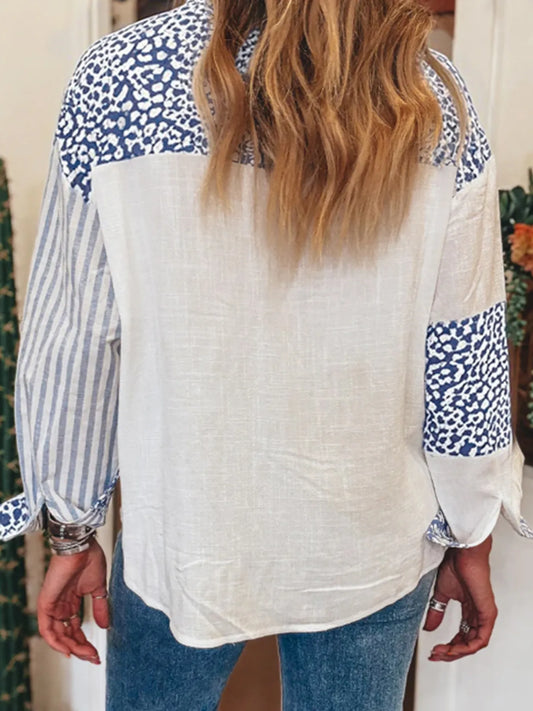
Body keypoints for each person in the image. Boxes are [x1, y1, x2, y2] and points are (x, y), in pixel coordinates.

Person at [1, 0, 531, 708]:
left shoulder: (120, 76)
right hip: (370, 539)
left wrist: (71, 528)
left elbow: (76, 332)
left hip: (184, 525)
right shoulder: (429, 93)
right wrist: (471, 532)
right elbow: (463, 349)